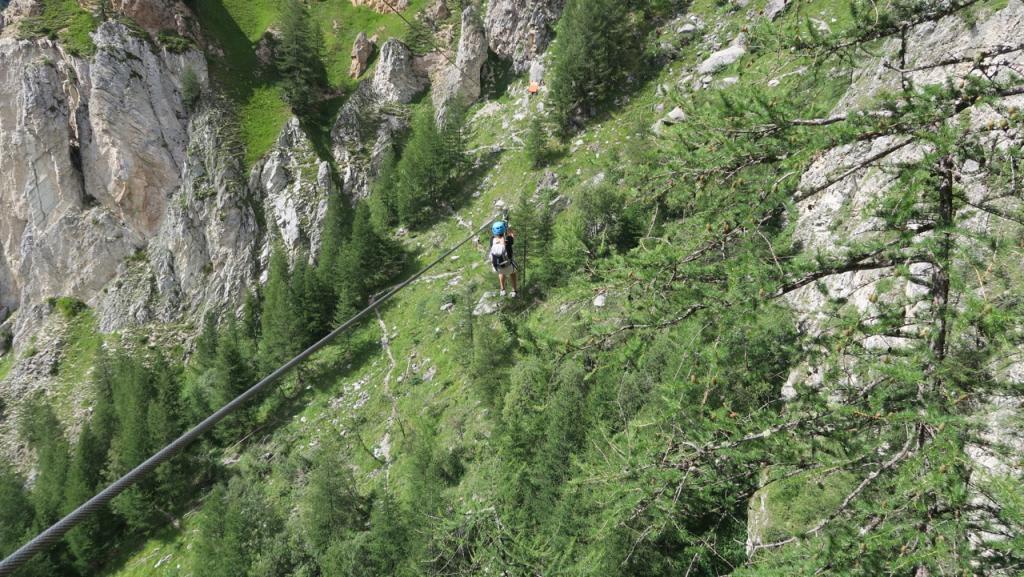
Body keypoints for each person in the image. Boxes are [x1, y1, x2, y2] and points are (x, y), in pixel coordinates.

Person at [490, 220, 518, 297]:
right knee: (513, 273)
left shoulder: (492, 240)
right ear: (504, 230)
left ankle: (502, 289)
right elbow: (512, 235)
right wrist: (508, 229)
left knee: (501, 273)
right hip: (509, 266)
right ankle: (514, 291)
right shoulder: (508, 239)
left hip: (498, 267)